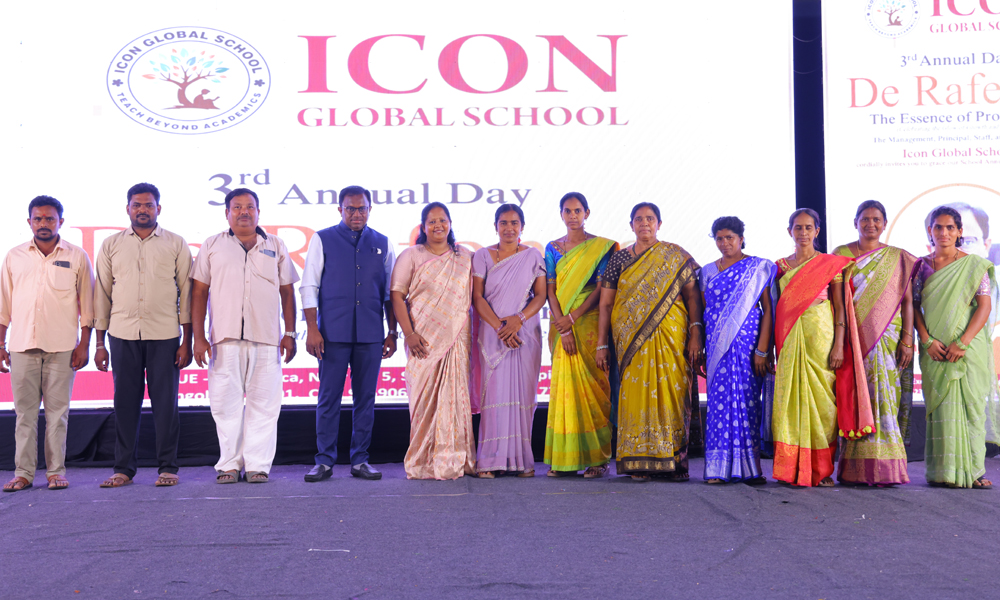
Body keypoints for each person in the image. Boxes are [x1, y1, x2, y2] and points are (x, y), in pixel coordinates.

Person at [191, 188, 299, 484]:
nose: (243, 212)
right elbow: (199, 292)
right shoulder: (212, 244)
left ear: (258, 212)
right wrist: (198, 337)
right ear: (227, 213)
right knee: (225, 405)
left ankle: (257, 465)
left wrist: (290, 332)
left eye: (249, 207)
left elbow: (287, 291)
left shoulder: (275, 244)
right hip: (224, 339)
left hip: (267, 338)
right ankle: (228, 464)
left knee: (264, 405)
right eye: (237, 207)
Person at [94, 182, 193, 488]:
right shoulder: (111, 244)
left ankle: (168, 468)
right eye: (136, 205)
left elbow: (187, 293)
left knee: (166, 405)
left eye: (148, 205)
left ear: (158, 208)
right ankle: (123, 469)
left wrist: (187, 341)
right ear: (128, 208)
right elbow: (102, 294)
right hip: (122, 334)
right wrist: (99, 343)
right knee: (125, 404)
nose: (142, 210)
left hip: (165, 335)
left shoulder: (176, 243)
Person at [597, 203, 703, 481]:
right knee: (635, 396)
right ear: (631, 225)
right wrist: (601, 344)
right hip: (630, 340)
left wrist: (696, 332)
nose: (644, 223)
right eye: (639, 219)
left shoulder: (675, 255)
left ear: (659, 223)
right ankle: (638, 462)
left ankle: (672, 461)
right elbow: (606, 304)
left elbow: (693, 296)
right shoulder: (619, 260)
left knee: (671, 392)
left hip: (672, 336)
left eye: (650, 218)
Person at [300, 185, 397, 482]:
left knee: (365, 399)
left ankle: (360, 460)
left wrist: (392, 332)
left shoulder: (382, 242)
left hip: (371, 334)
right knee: (328, 398)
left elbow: (391, 293)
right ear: (340, 209)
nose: (356, 214)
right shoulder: (322, 238)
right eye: (350, 208)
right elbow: (309, 285)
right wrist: (312, 329)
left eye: (362, 208)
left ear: (370, 209)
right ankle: (324, 461)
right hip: (332, 334)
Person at [771, 208, 871, 487]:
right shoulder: (780, 267)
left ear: (817, 231)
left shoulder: (830, 265)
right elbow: (775, 307)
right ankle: (790, 469)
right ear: (789, 231)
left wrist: (839, 344)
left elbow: (839, 307)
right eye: (798, 227)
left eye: (808, 228)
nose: (803, 233)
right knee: (788, 401)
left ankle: (821, 470)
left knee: (824, 403)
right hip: (790, 337)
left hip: (822, 336)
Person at [1, 196, 94, 492]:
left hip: (63, 347)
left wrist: (85, 344)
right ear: (29, 222)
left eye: (49, 219)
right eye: (38, 219)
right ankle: (23, 473)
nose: (43, 223)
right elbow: (3, 304)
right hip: (21, 346)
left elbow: (88, 305)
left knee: (57, 415)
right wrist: (1, 344)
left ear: (60, 222)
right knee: (24, 415)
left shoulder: (77, 255)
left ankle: (55, 472)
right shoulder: (14, 256)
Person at [832, 200, 919, 486]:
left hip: (888, 339)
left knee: (886, 398)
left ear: (884, 224)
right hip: (854, 339)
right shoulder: (841, 255)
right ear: (855, 222)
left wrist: (908, 340)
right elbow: (836, 301)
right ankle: (856, 469)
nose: (871, 224)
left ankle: (887, 468)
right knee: (857, 398)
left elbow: (907, 301)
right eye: (865, 219)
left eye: (876, 220)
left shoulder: (898, 258)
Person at [914, 206, 1000, 489]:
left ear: (959, 231)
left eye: (950, 227)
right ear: (930, 231)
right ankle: (944, 472)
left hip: (967, 348)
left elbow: (984, 306)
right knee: (941, 407)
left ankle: (974, 471)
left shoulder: (974, 265)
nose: (944, 232)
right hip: (935, 349)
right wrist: (926, 340)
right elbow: (913, 306)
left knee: (971, 407)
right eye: (938, 227)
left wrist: (962, 343)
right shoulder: (921, 266)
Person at [390, 202, 475, 480]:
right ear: (423, 226)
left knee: (455, 397)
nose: (438, 225)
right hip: (422, 340)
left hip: (456, 338)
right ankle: (423, 460)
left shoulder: (466, 256)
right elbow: (397, 296)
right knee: (423, 399)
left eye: (443, 220)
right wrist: (409, 333)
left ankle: (456, 458)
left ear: (450, 223)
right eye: (432, 221)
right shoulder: (411, 256)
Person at [544, 192, 619, 478]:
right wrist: (563, 326)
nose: (573, 216)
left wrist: (573, 318)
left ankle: (598, 459)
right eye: (568, 211)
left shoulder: (602, 247)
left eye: (578, 211)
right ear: (561, 214)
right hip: (561, 324)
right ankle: (566, 460)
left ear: (587, 213)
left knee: (594, 389)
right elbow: (551, 290)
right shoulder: (552, 248)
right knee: (565, 391)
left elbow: (601, 289)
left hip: (589, 323)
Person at [697, 216, 775, 484]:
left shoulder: (758, 268)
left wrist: (763, 350)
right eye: (719, 238)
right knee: (718, 404)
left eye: (730, 237)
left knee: (748, 402)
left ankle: (751, 469)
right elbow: (706, 311)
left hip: (747, 346)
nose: (724, 243)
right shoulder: (707, 272)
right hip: (717, 346)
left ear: (741, 239)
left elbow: (767, 311)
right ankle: (717, 470)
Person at [471, 205, 546, 478]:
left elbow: (541, 296)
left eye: (514, 223)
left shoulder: (532, 256)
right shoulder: (482, 256)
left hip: (524, 334)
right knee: (495, 395)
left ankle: (522, 461)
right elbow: (477, 297)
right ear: (495, 226)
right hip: (494, 334)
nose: (509, 228)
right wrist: (500, 327)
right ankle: (491, 461)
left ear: (522, 226)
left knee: (522, 396)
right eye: (503, 223)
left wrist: (518, 319)